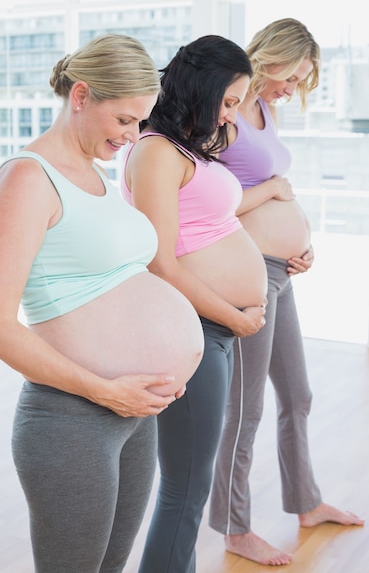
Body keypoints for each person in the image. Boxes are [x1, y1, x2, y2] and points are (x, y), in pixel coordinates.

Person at [0, 33, 205, 573]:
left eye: (140, 122)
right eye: (123, 120)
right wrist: (107, 391)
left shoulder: (95, 177)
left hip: (133, 415)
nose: (132, 135)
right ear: (81, 97)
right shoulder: (28, 179)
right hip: (72, 420)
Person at [209, 18, 365, 566]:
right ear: (269, 57)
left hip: (281, 270)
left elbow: (269, 196)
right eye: (292, 76)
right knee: (245, 409)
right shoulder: (220, 114)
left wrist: (300, 244)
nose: (291, 89)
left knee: (296, 395)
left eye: (301, 81)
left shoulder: (265, 111)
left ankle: (306, 500)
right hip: (247, 274)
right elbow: (205, 206)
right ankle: (233, 527)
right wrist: (274, 191)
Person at [121, 35, 268, 573]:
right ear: (201, 88)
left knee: (192, 483)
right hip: (195, 328)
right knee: (185, 486)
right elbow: (161, 261)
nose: (233, 115)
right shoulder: (156, 150)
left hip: (218, 330)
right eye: (228, 101)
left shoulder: (185, 147)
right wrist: (233, 315)